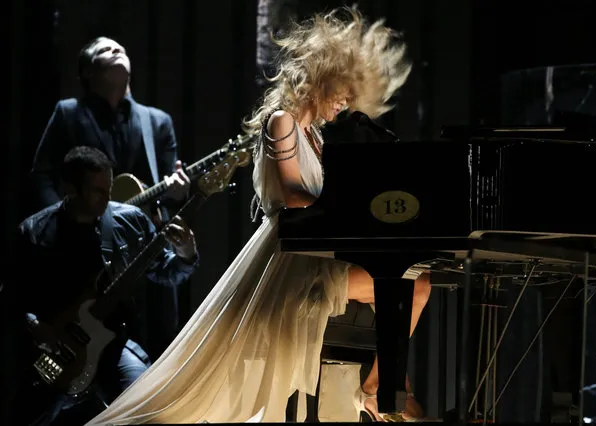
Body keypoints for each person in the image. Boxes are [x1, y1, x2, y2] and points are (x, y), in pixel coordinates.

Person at [86, 6, 429, 424]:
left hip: (315, 257)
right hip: (292, 264)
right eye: (341, 92)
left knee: (417, 283)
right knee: (416, 285)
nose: (344, 104)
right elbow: (296, 198)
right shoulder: (281, 121)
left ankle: (383, 383)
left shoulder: (315, 137)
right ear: (321, 80)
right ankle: (381, 386)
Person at [7, 146, 199, 426]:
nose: (108, 198)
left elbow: (167, 273)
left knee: (149, 409)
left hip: (113, 346)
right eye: (98, 191)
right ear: (70, 189)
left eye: (109, 188)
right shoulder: (34, 233)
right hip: (58, 350)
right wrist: (37, 327)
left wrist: (186, 254)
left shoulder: (129, 221)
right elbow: (10, 300)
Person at [30, 36, 191, 360]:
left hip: (142, 250)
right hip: (84, 250)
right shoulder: (68, 113)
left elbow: (169, 195)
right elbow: (42, 174)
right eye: (104, 49)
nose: (117, 50)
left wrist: (180, 191)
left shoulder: (156, 122)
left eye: (121, 48)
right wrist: (61, 221)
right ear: (87, 73)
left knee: (155, 346)